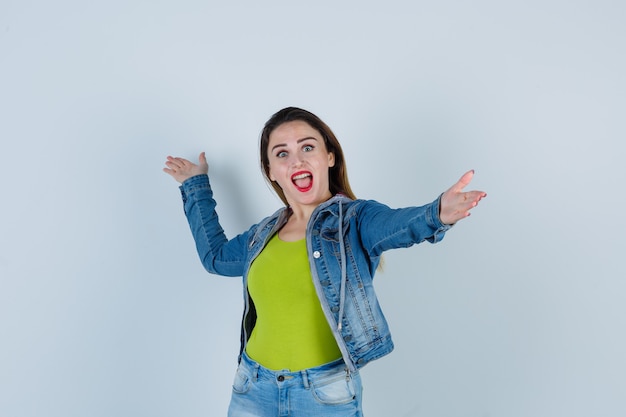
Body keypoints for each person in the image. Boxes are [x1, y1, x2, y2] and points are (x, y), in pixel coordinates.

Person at [163, 107, 486, 417]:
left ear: (329, 157)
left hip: (323, 395)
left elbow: (399, 225)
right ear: (272, 172)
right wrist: (195, 185)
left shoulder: (356, 220)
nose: (297, 159)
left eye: (307, 147)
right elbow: (216, 257)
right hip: (252, 386)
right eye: (282, 153)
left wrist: (437, 213)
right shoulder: (262, 235)